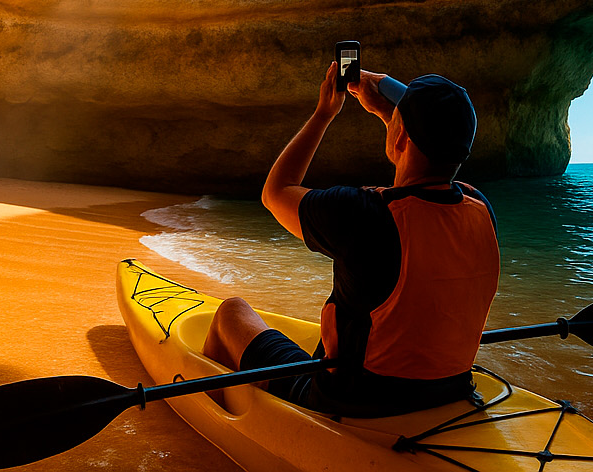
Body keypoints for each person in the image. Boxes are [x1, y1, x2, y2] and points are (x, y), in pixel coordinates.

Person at [202, 60, 500, 417]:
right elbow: (430, 146)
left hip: (350, 400)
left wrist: (324, 114)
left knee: (230, 313)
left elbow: (276, 192)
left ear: (401, 134)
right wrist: (391, 113)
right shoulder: (480, 207)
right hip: (449, 391)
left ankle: (219, 419)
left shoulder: (364, 214)